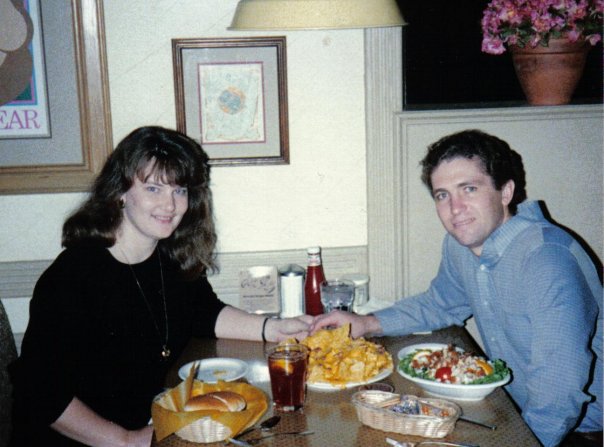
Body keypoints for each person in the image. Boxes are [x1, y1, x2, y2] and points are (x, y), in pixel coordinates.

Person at [8, 126, 312, 447]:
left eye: (179, 190)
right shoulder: (73, 276)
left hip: (153, 426)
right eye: (154, 189)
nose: (170, 205)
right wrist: (126, 440)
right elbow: (40, 392)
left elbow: (205, 312)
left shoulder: (168, 257)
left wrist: (276, 329)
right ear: (119, 192)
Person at [311, 130, 602, 447]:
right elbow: (440, 304)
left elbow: (560, 388)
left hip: (579, 431)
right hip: (517, 412)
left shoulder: (546, 259)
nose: (455, 207)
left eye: (469, 189)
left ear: (506, 191)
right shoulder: (462, 245)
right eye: (442, 195)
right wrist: (366, 322)